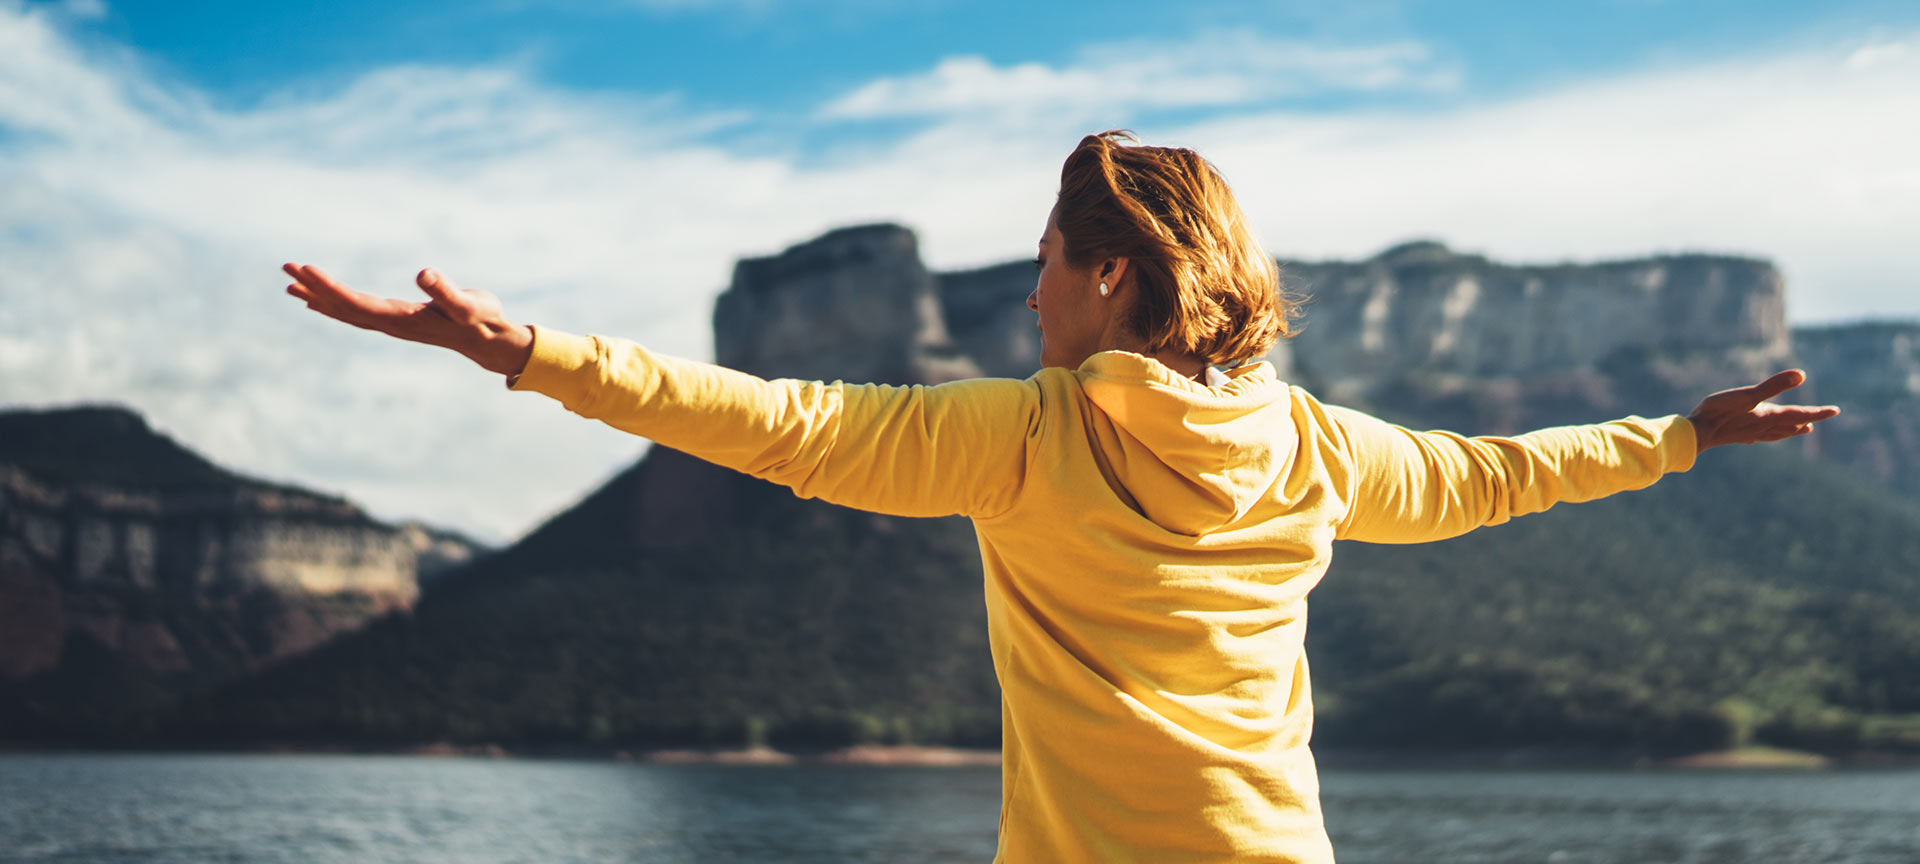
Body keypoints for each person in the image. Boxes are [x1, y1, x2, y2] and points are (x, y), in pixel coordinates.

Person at [284, 130, 1839, 863]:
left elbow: (778, 423)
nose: (1026, 300)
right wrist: (1679, 437)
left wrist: (527, 349)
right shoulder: (1317, 451)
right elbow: (1505, 475)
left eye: (1040, 263)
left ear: (1105, 274)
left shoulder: (1028, 436)